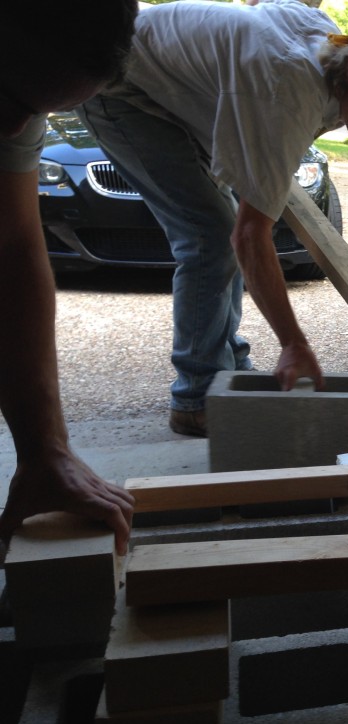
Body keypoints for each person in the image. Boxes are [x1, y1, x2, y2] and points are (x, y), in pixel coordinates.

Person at [77, 0, 348, 438]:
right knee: (210, 235)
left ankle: (227, 369)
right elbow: (249, 237)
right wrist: (294, 343)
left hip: (184, 97)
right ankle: (198, 395)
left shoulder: (332, 59)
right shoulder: (287, 87)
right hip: (124, 88)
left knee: (222, 226)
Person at [0, 2, 138, 554]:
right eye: (10, 99)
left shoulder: (22, 82)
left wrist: (44, 450)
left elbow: (11, 246)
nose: (12, 127)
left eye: (36, 115)